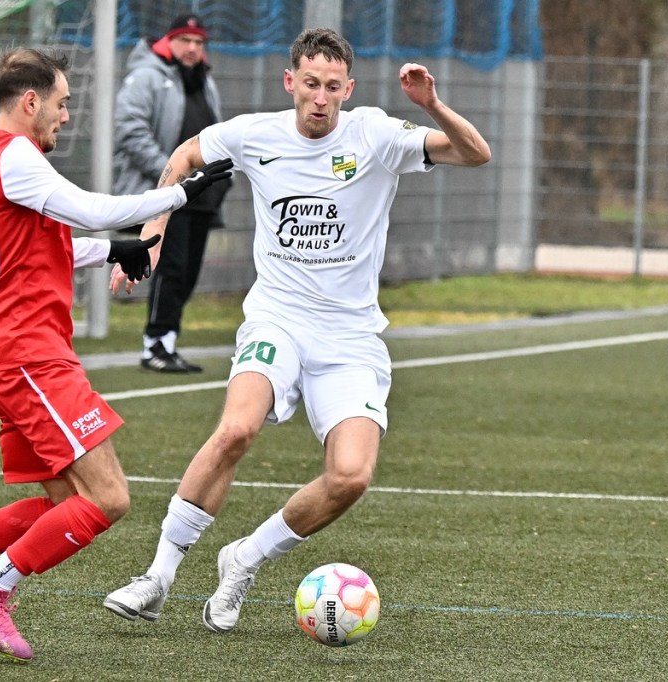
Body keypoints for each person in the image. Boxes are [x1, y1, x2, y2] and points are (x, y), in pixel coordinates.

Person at [103, 28, 491, 633]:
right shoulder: (256, 134)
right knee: (236, 428)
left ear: (348, 89)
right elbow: (183, 157)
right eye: (311, 84)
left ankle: (245, 558)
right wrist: (151, 237)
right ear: (291, 82)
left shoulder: (375, 135)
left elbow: (474, 153)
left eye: (333, 87)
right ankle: (158, 577)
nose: (321, 97)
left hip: (350, 337)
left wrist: (432, 105)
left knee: (351, 476)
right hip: (277, 317)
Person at [0, 47, 231, 663]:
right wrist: (176, 197)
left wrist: (114, 251)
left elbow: (35, 249)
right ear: (31, 102)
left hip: (5, 349)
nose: (66, 116)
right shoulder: (18, 156)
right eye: (61, 102)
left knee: (57, 505)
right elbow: (92, 208)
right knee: (108, 498)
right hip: (28, 353)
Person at [113, 14, 231, 373]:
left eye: (199, 42)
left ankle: (167, 343)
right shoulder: (147, 76)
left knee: (189, 272)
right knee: (171, 268)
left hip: (201, 196)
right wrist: (171, 172)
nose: (193, 48)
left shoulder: (205, 81)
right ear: (169, 42)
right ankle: (155, 345)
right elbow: (129, 129)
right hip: (168, 193)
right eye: (185, 40)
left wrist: (220, 180)